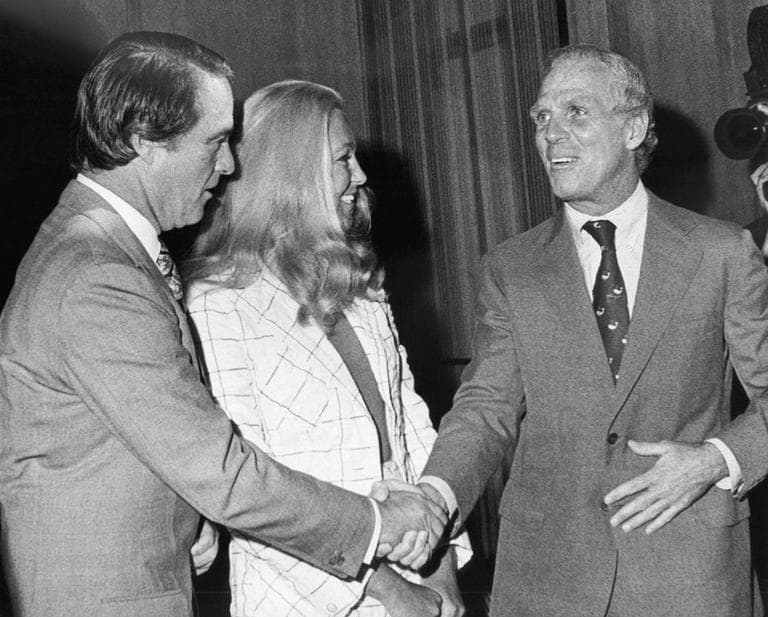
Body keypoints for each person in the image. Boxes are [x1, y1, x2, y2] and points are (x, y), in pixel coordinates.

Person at [0, 32, 446, 617]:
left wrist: (187, 518)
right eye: (214, 141)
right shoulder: (95, 274)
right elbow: (220, 469)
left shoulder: (97, 248)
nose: (231, 163)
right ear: (145, 141)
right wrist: (373, 524)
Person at [397, 43, 768, 616]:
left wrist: (717, 459)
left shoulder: (720, 252)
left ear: (634, 127)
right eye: (542, 117)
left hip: (690, 575)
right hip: (547, 580)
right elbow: (485, 408)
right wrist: (435, 493)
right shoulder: (511, 267)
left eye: (576, 112)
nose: (551, 134)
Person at [184, 80, 471, 617]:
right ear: (295, 173)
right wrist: (392, 593)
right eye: (344, 158)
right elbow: (250, 494)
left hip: (421, 584)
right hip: (307, 601)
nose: (360, 175)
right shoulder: (217, 306)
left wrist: (443, 574)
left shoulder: (362, 287)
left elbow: (414, 435)